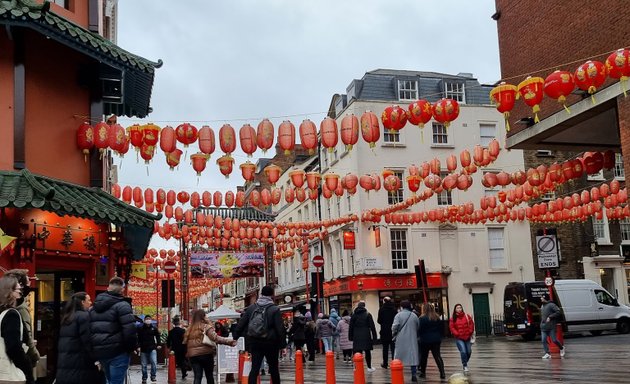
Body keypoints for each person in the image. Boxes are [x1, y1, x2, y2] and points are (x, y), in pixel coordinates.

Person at [233, 285, 286, 384]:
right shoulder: (274, 309)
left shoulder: (251, 308)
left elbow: (241, 324)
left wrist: (235, 337)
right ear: (271, 295)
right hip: (271, 342)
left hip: (255, 341)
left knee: (255, 368)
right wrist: (283, 345)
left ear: (261, 294)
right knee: (273, 368)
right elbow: (280, 328)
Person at [90, 276, 137, 384]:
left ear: (108, 288)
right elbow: (130, 330)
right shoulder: (123, 306)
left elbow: (89, 329)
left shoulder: (94, 308)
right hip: (118, 351)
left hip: (100, 351)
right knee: (116, 381)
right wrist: (130, 348)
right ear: (122, 290)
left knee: (108, 380)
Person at [55, 292, 104, 384]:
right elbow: (87, 340)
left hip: (65, 362)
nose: (91, 302)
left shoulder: (67, 317)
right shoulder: (84, 316)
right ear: (82, 302)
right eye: (88, 300)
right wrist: (96, 360)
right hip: (81, 364)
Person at [184, 309, 236, 384]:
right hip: (206, 354)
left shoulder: (189, 329)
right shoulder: (206, 327)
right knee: (209, 375)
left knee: (197, 376)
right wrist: (229, 342)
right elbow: (215, 338)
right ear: (203, 317)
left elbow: (185, 342)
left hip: (193, 356)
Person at [0, 275, 35, 384]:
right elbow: (13, 348)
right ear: (10, 292)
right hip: (9, 375)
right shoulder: (11, 315)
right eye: (19, 289)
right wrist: (27, 367)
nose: (21, 292)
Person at [4, 269, 40, 370]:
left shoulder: (4, 306)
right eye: (27, 282)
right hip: (15, 366)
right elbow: (26, 339)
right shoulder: (19, 308)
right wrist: (35, 356)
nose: (29, 284)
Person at [391, 300, 420, 381]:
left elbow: (394, 327)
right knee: (412, 356)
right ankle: (413, 373)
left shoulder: (398, 315)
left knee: (399, 356)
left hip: (401, 338)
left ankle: (398, 373)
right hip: (412, 338)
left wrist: (394, 334)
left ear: (401, 306)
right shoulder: (414, 315)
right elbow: (418, 326)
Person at [418, 303, 445, 380]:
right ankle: (442, 372)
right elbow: (441, 328)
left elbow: (420, 329)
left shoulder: (422, 318)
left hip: (425, 340)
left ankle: (423, 372)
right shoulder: (437, 317)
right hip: (436, 339)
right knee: (437, 356)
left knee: (424, 357)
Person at [348, 301, 377, 373]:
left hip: (356, 335)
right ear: (364, 306)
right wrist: (375, 337)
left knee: (357, 352)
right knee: (367, 352)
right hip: (366, 335)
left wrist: (350, 337)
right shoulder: (368, 314)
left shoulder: (354, 315)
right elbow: (372, 327)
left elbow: (351, 327)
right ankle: (369, 367)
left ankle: (356, 367)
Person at [449, 304, 474, 373]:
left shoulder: (467, 316)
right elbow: (451, 327)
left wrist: (470, 331)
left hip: (467, 337)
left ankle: (465, 361)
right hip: (459, 338)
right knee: (463, 351)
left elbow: (471, 324)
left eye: (460, 308)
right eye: (457, 308)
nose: (459, 309)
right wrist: (456, 333)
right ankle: (465, 365)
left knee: (469, 352)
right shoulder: (453, 318)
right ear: (455, 309)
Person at [137, 315, 161, 384]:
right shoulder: (140, 328)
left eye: (149, 319)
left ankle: (153, 376)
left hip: (152, 348)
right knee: (144, 365)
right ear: (144, 320)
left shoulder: (154, 327)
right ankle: (144, 378)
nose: (148, 320)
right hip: (143, 349)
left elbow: (158, 336)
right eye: (147, 319)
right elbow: (137, 338)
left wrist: (159, 344)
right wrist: (138, 346)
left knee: (154, 362)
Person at [540, 293, 565, 359]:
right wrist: (542, 323)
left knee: (554, 340)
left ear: (545, 298)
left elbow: (558, 312)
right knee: (543, 340)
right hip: (544, 327)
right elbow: (543, 316)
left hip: (551, 326)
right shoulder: (542, 306)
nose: (541, 298)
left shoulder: (551, 305)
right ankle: (547, 353)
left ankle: (561, 348)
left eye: (542, 297)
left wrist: (550, 317)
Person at [377, 296, 396, 368]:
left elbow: (379, 321)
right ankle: (394, 362)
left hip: (384, 331)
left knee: (385, 348)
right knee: (393, 348)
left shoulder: (381, 310)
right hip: (392, 331)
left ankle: (385, 363)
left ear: (384, 302)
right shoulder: (394, 309)